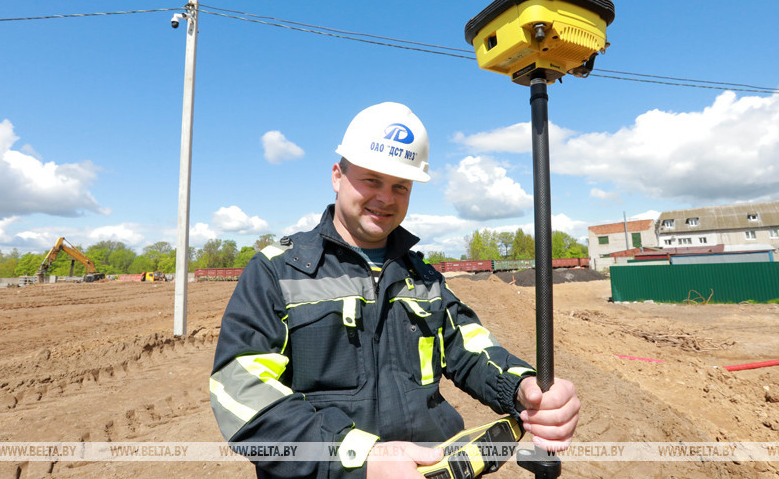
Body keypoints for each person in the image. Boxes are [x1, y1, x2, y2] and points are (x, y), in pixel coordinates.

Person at [209, 102, 580, 478]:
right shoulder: (277, 270)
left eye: (400, 186)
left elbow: (471, 349)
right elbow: (240, 392)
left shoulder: (424, 278)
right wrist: (359, 457)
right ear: (337, 176)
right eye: (372, 180)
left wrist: (523, 388)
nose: (386, 198)